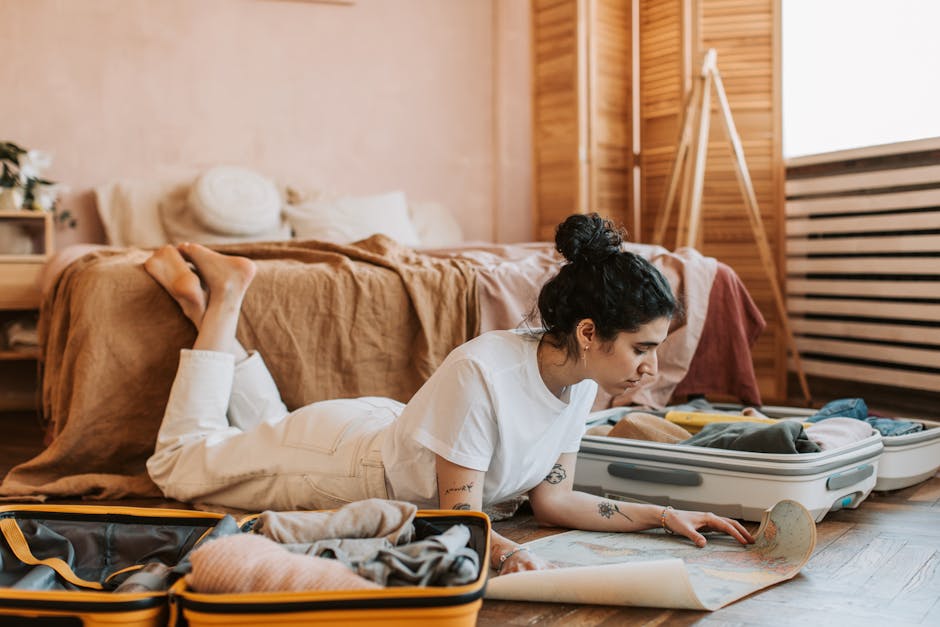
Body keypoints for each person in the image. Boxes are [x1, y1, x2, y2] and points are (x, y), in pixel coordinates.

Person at [144, 213, 753, 576]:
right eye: (642, 348)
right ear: (589, 333)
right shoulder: (485, 371)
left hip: (388, 434)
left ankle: (203, 308)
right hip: (345, 466)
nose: (652, 368)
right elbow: (455, 515)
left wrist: (665, 517)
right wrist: (509, 556)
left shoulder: (579, 382)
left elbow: (554, 502)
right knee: (179, 465)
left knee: (259, 430)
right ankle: (227, 297)